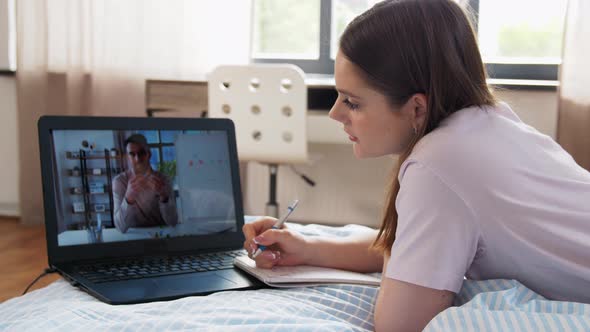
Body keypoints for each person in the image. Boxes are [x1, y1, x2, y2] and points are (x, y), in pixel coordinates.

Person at [242, 0, 590, 330]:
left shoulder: (441, 163)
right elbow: (416, 247)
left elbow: (399, 325)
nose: (336, 113)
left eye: (352, 101)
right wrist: (310, 248)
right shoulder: (489, 123)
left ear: (417, 109)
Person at [112, 134, 178, 233]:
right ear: (127, 157)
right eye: (132, 154)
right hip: (134, 237)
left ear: (149, 154)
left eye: (141, 153)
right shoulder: (119, 182)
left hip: (161, 236)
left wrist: (164, 197)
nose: (137, 159)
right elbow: (120, 227)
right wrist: (128, 198)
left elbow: (173, 222)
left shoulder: (164, 179)